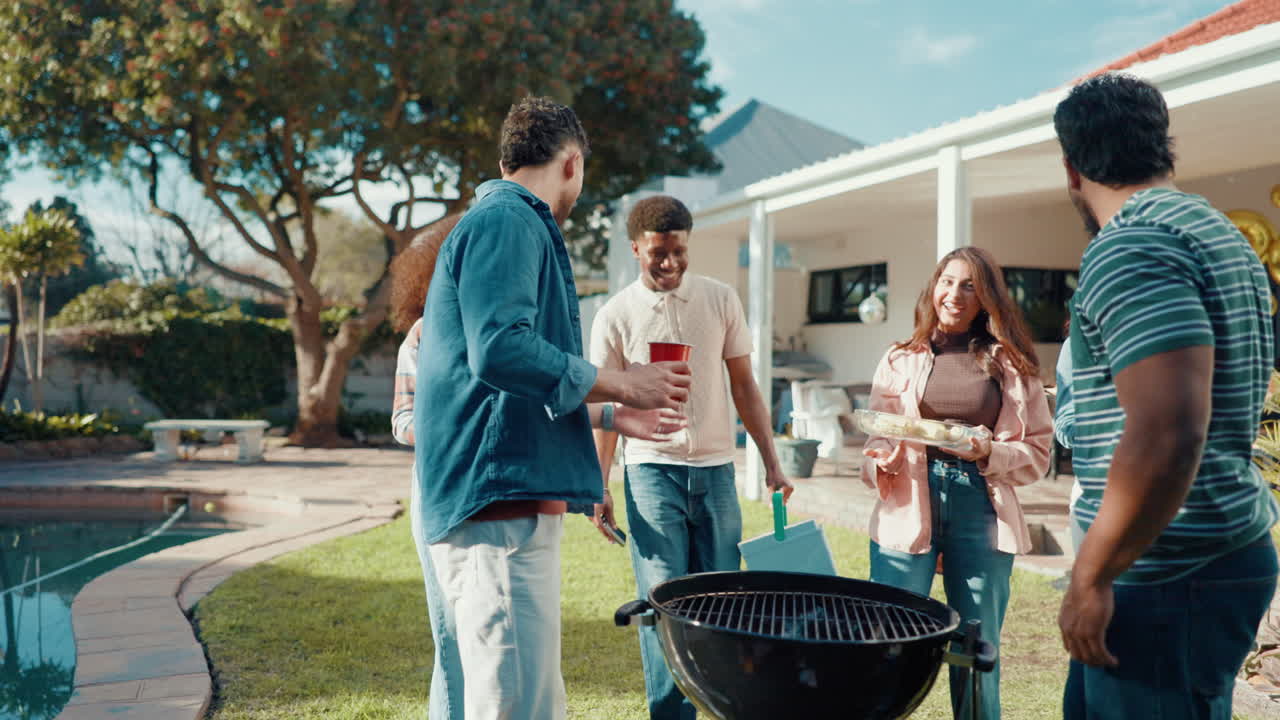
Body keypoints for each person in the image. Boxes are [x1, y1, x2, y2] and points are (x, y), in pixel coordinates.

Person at [411, 96, 692, 720]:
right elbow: (501, 352)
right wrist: (623, 384)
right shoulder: (509, 221)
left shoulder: (496, 222)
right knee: (514, 705)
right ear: (572, 163)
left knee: (514, 697)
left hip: (499, 498)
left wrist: (614, 414)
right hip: (498, 508)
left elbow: (505, 393)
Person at [1053, 72, 1279, 720]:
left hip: (1168, 571)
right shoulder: (1217, 233)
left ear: (1072, 169)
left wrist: (1091, 577)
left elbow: (1167, 430)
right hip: (1204, 556)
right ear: (1162, 146)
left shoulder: (1131, 245)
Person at [588, 194, 794, 720]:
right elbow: (606, 407)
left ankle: (723, 706)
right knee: (664, 602)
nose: (671, 263)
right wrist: (600, 485)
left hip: (717, 473)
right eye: (658, 253)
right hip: (651, 472)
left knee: (723, 600)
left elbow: (745, 385)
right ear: (636, 249)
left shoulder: (721, 299)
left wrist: (770, 461)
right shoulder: (615, 314)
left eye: (679, 251)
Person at [861, 245, 1052, 720]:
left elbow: (1037, 457)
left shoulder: (1011, 363)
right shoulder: (900, 358)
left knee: (976, 647)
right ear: (934, 288)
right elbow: (875, 442)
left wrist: (989, 450)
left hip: (980, 509)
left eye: (970, 285)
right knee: (889, 638)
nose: (955, 294)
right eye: (948, 281)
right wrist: (880, 459)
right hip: (907, 504)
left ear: (987, 298)